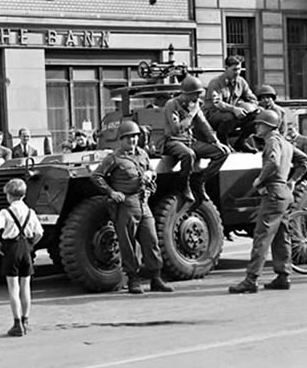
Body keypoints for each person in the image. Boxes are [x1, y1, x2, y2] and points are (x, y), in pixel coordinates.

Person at [229, 110, 307, 294]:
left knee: (262, 237)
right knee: (282, 235)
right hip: (284, 193)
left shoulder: (272, 141)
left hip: (273, 192)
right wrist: (293, 180)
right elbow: (305, 160)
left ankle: (251, 279)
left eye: (259, 124)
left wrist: (259, 179)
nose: (257, 127)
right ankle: (283, 275)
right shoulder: (286, 142)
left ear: (269, 126)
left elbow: (272, 162)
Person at [90, 121, 174, 294]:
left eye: (135, 137)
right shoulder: (114, 158)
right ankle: (133, 279)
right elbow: (97, 176)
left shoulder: (142, 154)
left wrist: (151, 175)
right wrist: (111, 192)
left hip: (143, 201)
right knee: (127, 243)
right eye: (128, 137)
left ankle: (156, 277)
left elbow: (151, 170)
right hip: (126, 204)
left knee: (151, 240)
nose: (132, 140)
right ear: (121, 139)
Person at [162, 75, 231, 203]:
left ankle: (199, 181)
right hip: (173, 141)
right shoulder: (172, 104)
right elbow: (177, 129)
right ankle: (184, 185)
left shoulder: (194, 105)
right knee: (189, 155)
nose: (197, 98)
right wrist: (191, 113)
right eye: (195, 94)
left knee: (223, 152)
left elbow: (204, 125)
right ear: (187, 94)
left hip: (189, 141)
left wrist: (216, 142)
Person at [0, 178, 44, 336]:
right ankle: (26, 320)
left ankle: (17, 323)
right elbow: (40, 232)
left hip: (11, 247)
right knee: (25, 287)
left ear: (9, 195)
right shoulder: (30, 212)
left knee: (13, 289)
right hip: (25, 247)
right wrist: (31, 244)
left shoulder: (5, 212)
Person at [203, 55, 259, 152]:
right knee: (229, 117)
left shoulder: (241, 82)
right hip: (213, 116)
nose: (237, 72)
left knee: (258, 115)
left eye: (239, 69)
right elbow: (217, 103)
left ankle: (241, 142)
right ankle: (223, 141)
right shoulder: (216, 83)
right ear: (226, 68)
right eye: (234, 69)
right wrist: (234, 109)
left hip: (233, 113)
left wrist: (250, 107)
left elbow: (251, 97)